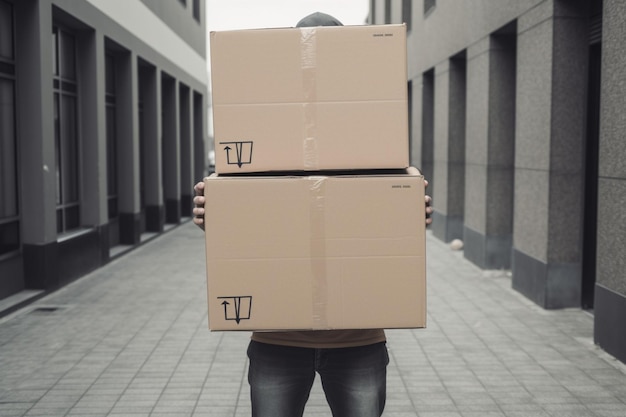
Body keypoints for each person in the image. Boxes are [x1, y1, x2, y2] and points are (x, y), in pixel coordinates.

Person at [193, 12, 434, 417]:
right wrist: (211, 212)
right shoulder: (263, 146)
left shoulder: (376, 148)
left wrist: (412, 212)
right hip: (277, 342)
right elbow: (232, 204)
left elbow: (400, 204)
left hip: (359, 343)